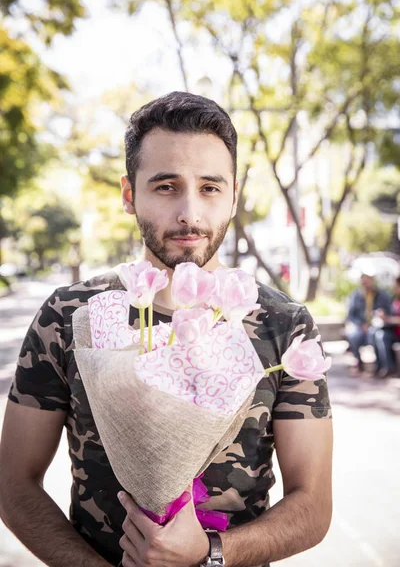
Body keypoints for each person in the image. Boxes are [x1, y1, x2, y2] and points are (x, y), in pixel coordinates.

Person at [0, 92, 333, 567]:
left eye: (210, 188)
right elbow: (13, 483)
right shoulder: (69, 315)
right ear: (129, 194)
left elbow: (314, 505)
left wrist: (211, 554)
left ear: (234, 196)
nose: (190, 213)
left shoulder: (285, 325)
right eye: (166, 186)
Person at [345, 270, 393, 376]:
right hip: (360, 326)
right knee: (353, 335)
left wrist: (382, 314)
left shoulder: (382, 295)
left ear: (372, 281)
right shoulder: (356, 296)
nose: (366, 284)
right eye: (364, 282)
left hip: (376, 325)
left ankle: (379, 366)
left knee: (375, 334)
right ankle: (359, 362)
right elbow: (350, 315)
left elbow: (389, 311)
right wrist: (360, 324)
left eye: (368, 281)